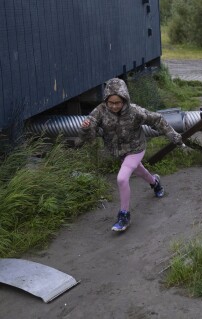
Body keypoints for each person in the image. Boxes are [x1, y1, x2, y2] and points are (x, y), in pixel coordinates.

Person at [78, 77, 183, 232]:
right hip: (119, 152)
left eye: (118, 103)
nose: (114, 106)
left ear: (125, 100)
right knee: (139, 170)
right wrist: (86, 128)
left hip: (136, 148)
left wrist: (174, 137)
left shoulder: (135, 111)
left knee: (122, 178)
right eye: (111, 102)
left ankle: (124, 215)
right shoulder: (100, 111)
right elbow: (89, 133)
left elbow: (157, 120)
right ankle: (155, 183)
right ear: (106, 100)